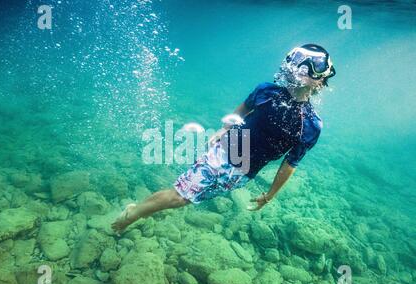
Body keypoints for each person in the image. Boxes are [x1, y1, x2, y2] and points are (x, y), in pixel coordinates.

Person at [112, 44, 336, 234]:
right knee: (180, 197)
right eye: (299, 62)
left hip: (244, 174)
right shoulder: (267, 91)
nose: (302, 69)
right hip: (223, 152)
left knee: (187, 199)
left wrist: (270, 195)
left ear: (320, 80)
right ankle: (134, 213)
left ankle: (139, 208)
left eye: (311, 66)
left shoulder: (310, 124)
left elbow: (290, 164)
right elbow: (244, 108)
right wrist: (224, 129)